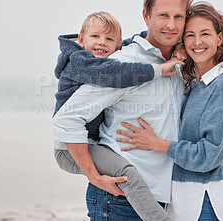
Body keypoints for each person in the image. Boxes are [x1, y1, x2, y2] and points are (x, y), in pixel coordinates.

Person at [53, 0, 223, 220]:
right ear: (146, 15)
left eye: (178, 17)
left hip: (165, 198)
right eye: (163, 15)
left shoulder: (183, 65)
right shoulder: (124, 63)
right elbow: (67, 118)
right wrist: (93, 174)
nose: (171, 25)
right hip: (119, 197)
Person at [116, 2, 223, 221]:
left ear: (220, 38)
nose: (197, 42)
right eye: (190, 35)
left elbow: (207, 156)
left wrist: (156, 143)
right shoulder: (193, 83)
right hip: (180, 196)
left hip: (203, 198)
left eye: (205, 34)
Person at [53, 11, 182, 221]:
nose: (102, 43)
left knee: (127, 175)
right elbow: (120, 72)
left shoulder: (107, 58)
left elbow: (134, 44)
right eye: (95, 36)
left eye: (109, 39)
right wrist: (157, 69)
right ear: (81, 39)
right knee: (128, 175)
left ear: (118, 46)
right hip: (69, 147)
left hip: (90, 144)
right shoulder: (81, 61)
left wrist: (172, 44)